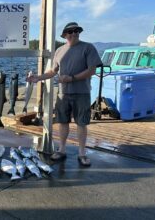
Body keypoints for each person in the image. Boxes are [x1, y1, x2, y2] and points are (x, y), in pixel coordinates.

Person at [27, 22, 102, 167]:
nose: (74, 33)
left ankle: (82, 153)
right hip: (63, 93)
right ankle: (61, 150)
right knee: (62, 122)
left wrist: (72, 78)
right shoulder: (59, 50)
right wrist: (37, 78)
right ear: (65, 34)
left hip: (82, 93)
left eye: (77, 31)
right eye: (71, 31)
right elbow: (52, 72)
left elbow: (92, 70)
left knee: (81, 123)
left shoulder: (88, 47)